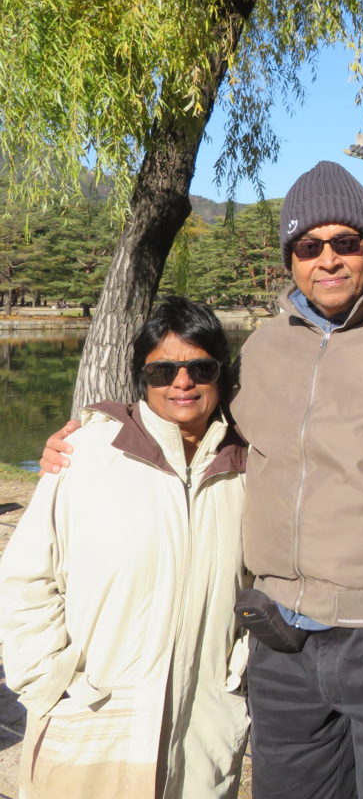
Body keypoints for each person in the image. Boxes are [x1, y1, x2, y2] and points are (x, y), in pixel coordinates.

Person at [42, 161, 363, 799]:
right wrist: (102, 427)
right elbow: (196, 421)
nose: (327, 260)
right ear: (290, 258)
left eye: (345, 243)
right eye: (308, 246)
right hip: (282, 638)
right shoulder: (268, 347)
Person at [4, 297, 249, 798]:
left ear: (220, 374)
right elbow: (27, 578)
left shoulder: (247, 469)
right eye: (163, 371)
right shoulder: (87, 454)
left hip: (202, 726)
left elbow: (262, 582)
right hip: (91, 715)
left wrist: (237, 679)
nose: (182, 382)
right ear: (143, 377)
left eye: (199, 367)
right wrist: (49, 684)